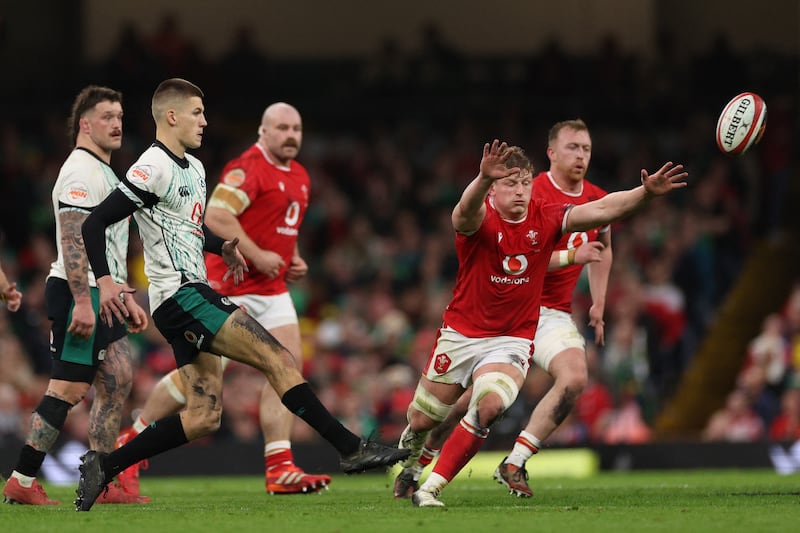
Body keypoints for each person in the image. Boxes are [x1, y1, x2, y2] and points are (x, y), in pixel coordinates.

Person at [76, 78, 409, 511]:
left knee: (203, 416)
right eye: (197, 112)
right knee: (279, 358)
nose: (205, 121)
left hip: (188, 296)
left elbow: (191, 230)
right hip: (182, 298)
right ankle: (350, 447)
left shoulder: (193, 168)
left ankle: (104, 466)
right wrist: (104, 282)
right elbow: (93, 223)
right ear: (171, 116)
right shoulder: (151, 165)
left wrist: (223, 247)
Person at [398, 139, 686, 507]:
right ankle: (411, 463)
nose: (519, 191)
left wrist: (644, 194)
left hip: (511, 339)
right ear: (493, 189)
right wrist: (482, 179)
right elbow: (461, 214)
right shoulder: (481, 217)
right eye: (509, 183)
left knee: (490, 406)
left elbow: (600, 209)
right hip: (461, 335)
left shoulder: (545, 215)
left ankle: (431, 488)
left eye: (524, 183)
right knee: (423, 419)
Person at [114, 102, 331, 495]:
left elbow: (283, 225)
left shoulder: (298, 175)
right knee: (196, 381)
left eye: (296, 128)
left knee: (287, 366)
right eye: (281, 127)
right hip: (229, 285)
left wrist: (291, 254)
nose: (290, 135)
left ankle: (280, 465)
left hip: (273, 288)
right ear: (263, 132)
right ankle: (134, 435)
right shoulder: (246, 168)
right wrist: (257, 255)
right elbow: (215, 217)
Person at [393, 119, 613, 499]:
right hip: (495, 310)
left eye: (586, 149)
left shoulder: (594, 196)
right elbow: (521, 253)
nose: (580, 155)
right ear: (552, 153)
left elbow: (605, 243)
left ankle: (514, 460)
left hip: (543, 315)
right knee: (446, 408)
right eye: (573, 147)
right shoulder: (531, 189)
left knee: (567, 378)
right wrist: (572, 255)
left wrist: (599, 301)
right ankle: (419, 457)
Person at [2, 86, 150, 506]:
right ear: (84, 124)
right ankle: (22, 480)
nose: (117, 123)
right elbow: (72, 238)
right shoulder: (79, 171)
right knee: (67, 390)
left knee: (118, 376)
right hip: (76, 291)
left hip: (99, 292)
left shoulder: (104, 171)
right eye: (106, 116)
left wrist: (120, 294)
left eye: (120, 115)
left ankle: (101, 482)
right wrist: (83, 301)